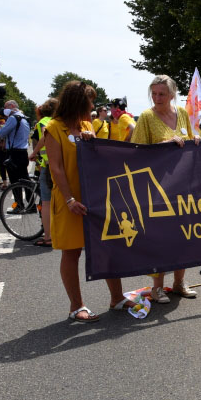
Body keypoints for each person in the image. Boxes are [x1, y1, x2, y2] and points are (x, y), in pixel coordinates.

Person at [43, 81, 125, 322]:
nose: (92, 107)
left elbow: (98, 160)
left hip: (94, 198)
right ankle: (76, 306)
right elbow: (56, 168)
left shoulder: (88, 125)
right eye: (90, 102)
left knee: (108, 247)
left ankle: (117, 298)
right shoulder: (53, 128)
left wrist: (93, 143)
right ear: (77, 103)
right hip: (68, 200)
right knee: (71, 253)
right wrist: (69, 199)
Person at [130, 74, 199, 302]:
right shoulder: (147, 117)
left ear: (172, 95)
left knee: (183, 235)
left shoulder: (182, 113)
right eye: (154, 94)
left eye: (162, 94)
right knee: (159, 238)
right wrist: (164, 144)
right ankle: (157, 287)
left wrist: (196, 139)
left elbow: (188, 139)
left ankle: (179, 283)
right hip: (157, 188)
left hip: (183, 185)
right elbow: (136, 151)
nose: (157, 98)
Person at [29, 98, 59, 247]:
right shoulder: (61, 121)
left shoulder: (43, 122)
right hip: (62, 165)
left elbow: (44, 139)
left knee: (46, 202)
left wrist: (34, 153)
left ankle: (48, 237)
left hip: (48, 165)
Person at [0, 100, 32, 207]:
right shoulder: (24, 117)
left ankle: (19, 205)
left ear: (11, 106)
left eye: (5, 107)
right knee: (25, 179)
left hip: (14, 153)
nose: (4, 109)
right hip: (23, 152)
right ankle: (31, 205)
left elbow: (1, 134)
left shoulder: (13, 118)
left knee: (14, 180)